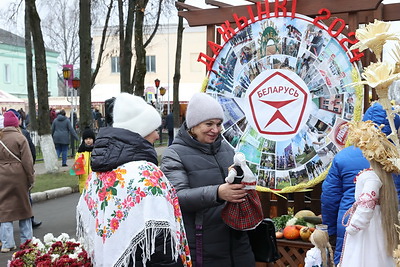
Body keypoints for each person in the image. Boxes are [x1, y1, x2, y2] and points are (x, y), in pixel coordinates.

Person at [76, 93, 192, 267]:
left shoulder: (97, 172)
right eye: (153, 129)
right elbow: (161, 243)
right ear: (141, 131)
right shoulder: (146, 173)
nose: (157, 136)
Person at [161, 93, 256, 267]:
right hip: (202, 246)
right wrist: (218, 193)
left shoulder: (227, 149)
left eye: (219, 124)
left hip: (238, 243)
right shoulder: (174, 154)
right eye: (209, 124)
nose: (216, 129)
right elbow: (177, 197)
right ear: (193, 126)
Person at [321, 102, 400, 264]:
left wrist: (331, 230)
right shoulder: (395, 158)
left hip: (352, 226)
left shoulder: (343, 157)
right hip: (390, 226)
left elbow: (330, 198)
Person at [339, 120, 399, 266]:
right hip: (378, 224)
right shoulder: (382, 178)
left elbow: (367, 204)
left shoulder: (370, 176)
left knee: (364, 258)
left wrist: (353, 226)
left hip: (368, 229)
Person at [0, 111, 34, 252]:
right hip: (19, 175)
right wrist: (31, 178)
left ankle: (7, 243)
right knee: (24, 208)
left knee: (4, 209)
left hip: (2, 174)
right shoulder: (20, 138)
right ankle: (26, 241)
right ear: (16, 124)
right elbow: (27, 161)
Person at [7, 109, 41, 228]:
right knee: (25, 199)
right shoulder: (23, 134)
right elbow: (30, 154)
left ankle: (6, 238)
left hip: (3, 175)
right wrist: (30, 171)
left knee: (5, 203)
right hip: (20, 172)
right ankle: (29, 223)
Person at [74, 127, 95, 193]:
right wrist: (79, 164)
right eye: (86, 139)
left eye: (90, 139)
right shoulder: (80, 152)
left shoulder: (96, 151)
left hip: (94, 180)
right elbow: (76, 170)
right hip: (83, 180)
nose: (88, 140)